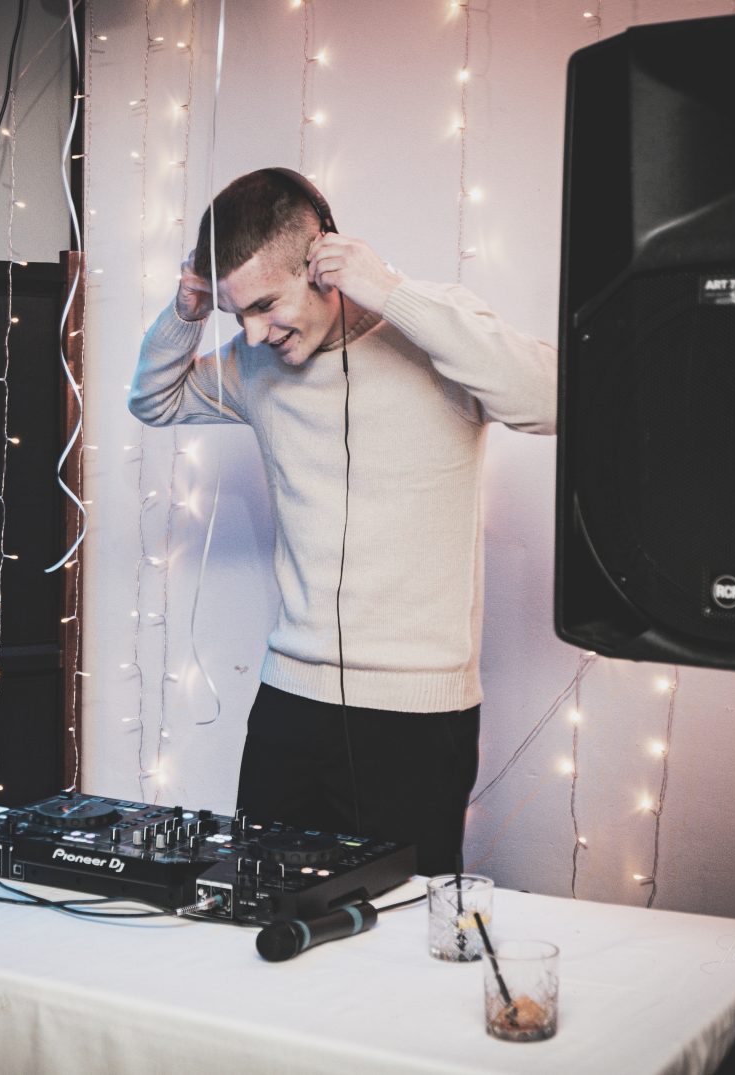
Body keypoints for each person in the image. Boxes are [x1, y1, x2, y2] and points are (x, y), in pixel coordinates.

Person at [129, 168, 556, 874]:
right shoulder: (253, 364)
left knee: (403, 925)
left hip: (419, 716)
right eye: (238, 314)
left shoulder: (433, 327)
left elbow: (551, 399)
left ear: (323, 262)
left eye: (265, 304)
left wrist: (389, 291)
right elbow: (154, 400)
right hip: (290, 705)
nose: (254, 333)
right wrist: (186, 312)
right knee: (259, 904)